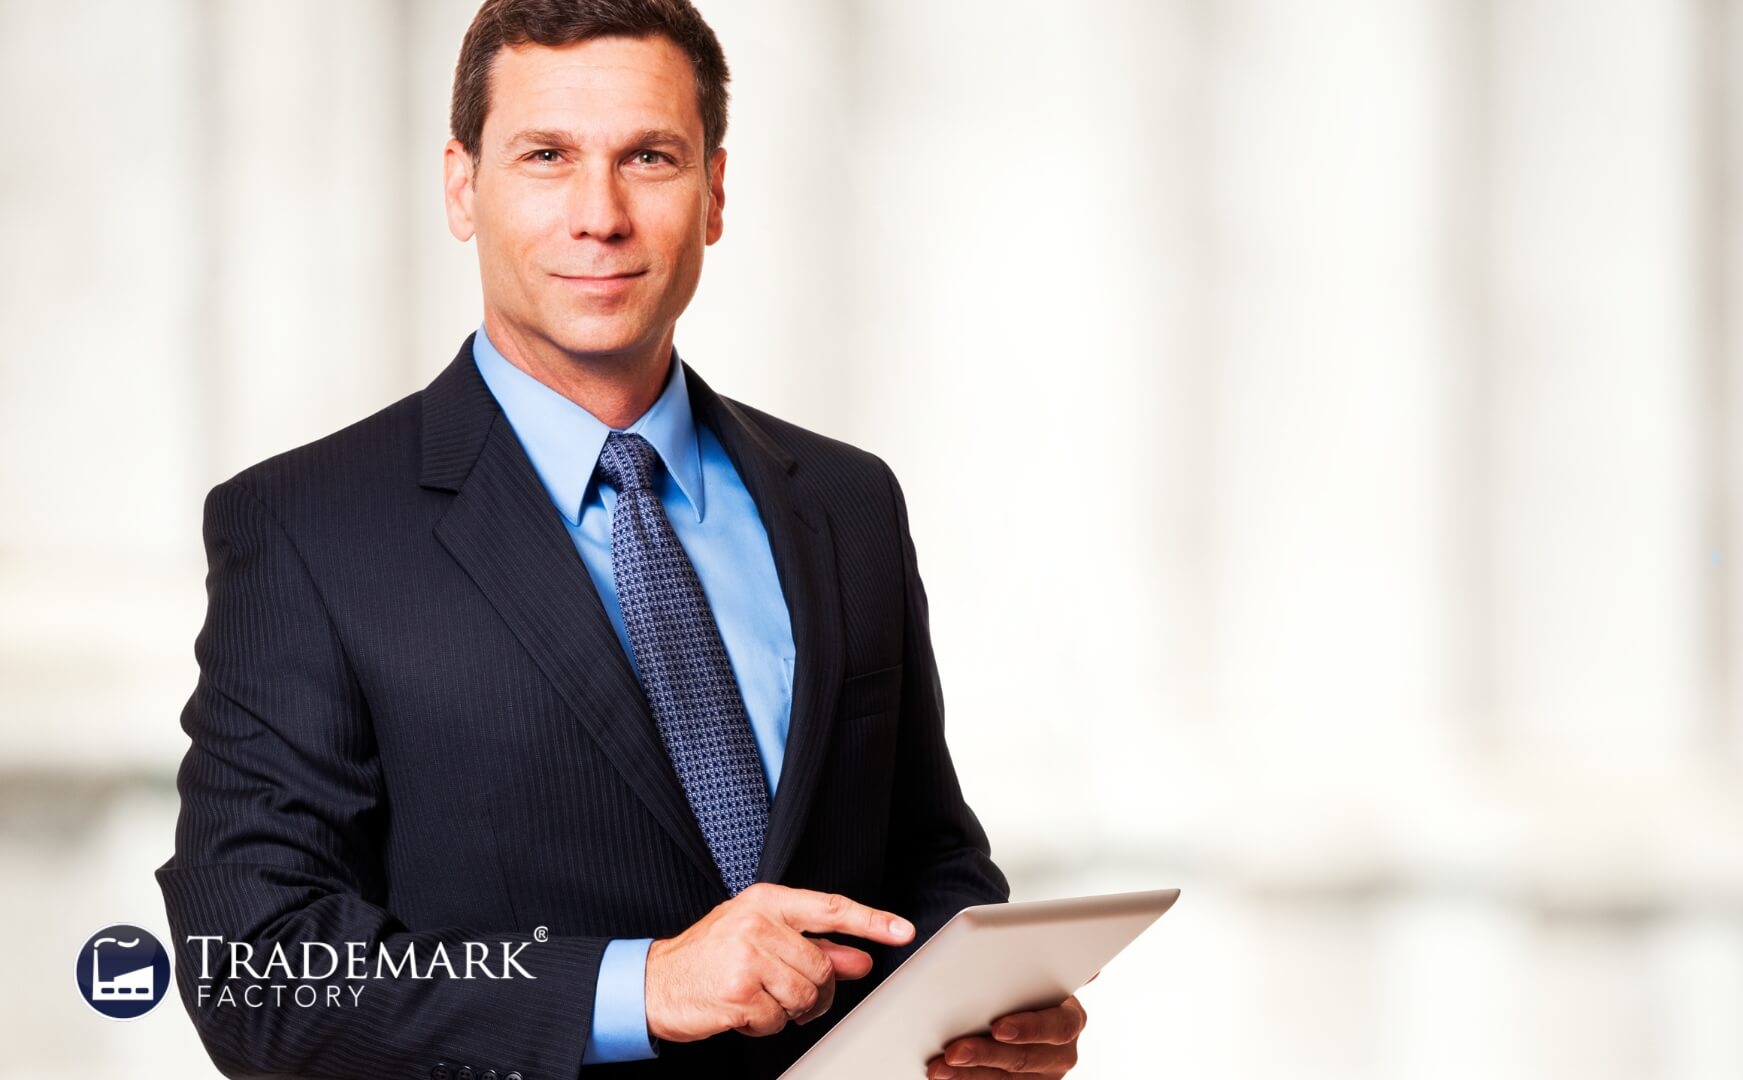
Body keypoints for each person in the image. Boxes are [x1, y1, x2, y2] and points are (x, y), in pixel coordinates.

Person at [154, 1, 1089, 1077]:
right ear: (462, 187)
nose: (599, 215)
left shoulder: (848, 503)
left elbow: (927, 858)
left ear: (714, 193)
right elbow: (258, 970)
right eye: (546, 156)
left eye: (649, 157)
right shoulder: (307, 528)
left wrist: (977, 1012)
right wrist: (640, 986)